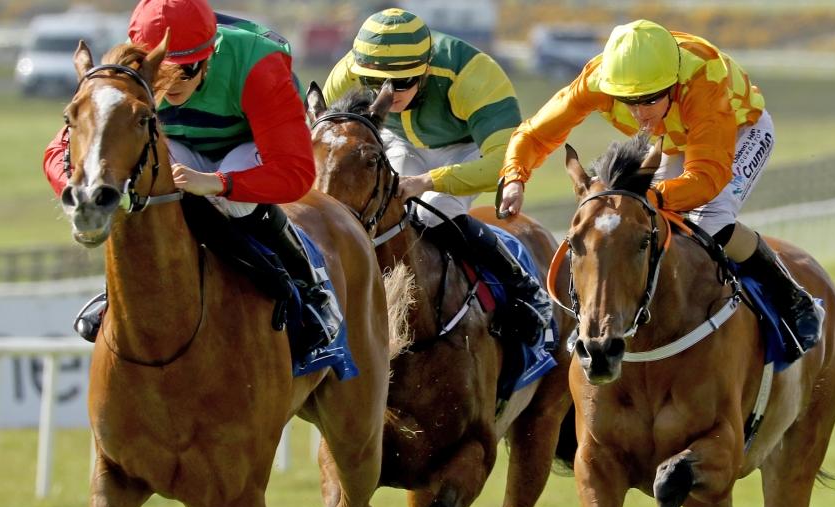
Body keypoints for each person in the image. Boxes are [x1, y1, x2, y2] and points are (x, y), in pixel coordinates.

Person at [499, 19, 822, 358]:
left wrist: (652, 197)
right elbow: (535, 133)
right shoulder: (600, 79)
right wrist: (514, 177)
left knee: (710, 220)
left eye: (649, 100)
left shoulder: (703, 81)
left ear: (673, 84)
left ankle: (793, 300)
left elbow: (706, 179)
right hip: (675, 138)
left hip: (738, 130)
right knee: (630, 227)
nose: (639, 114)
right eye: (628, 101)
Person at [43, 0, 341, 352]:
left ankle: (309, 287)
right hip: (181, 143)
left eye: (186, 70)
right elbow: (58, 152)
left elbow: (296, 174)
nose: (171, 84)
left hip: (252, 142)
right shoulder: (128, 73)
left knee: (233, 202)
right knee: (146, 183)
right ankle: (118, 294)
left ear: (210, 55)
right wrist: (81, 192)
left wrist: (219, 183)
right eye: (161, 70)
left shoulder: (258, 65)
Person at [322, 8, 551, 346]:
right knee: (376, 206)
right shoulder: (348, 72)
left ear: (426, 68)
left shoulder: (473, 74)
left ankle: (524, 288)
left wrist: (427, 181)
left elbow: (504, 163)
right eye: (374, 83)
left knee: (433, 210)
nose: (388, 93)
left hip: (467, 148)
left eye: (402, 82)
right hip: (400, 141)